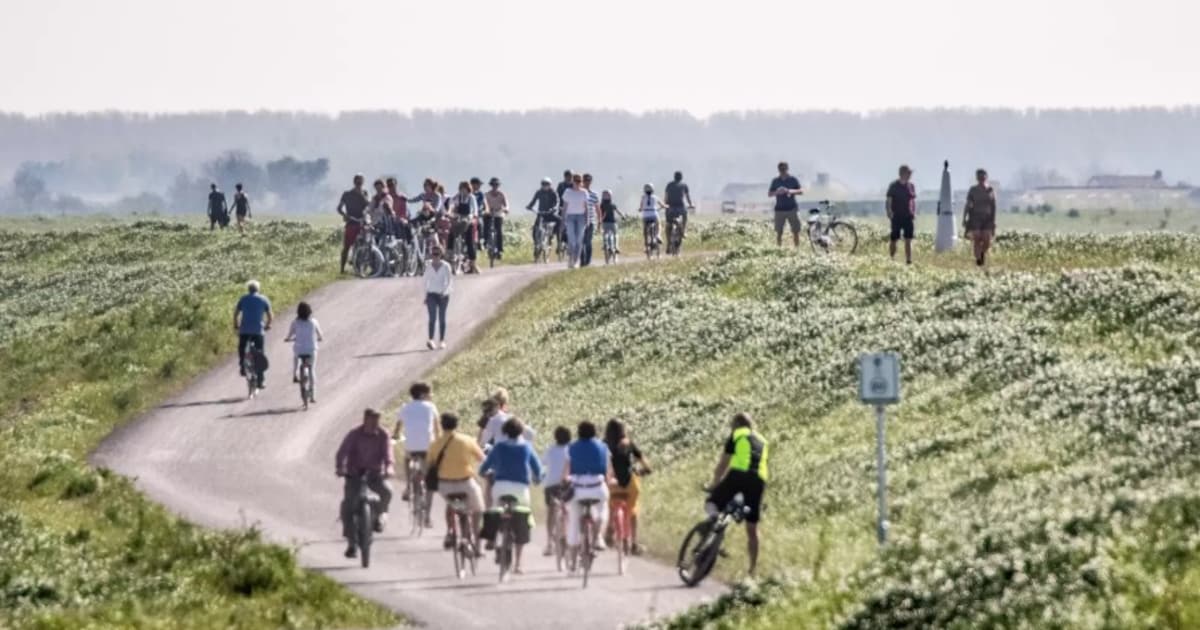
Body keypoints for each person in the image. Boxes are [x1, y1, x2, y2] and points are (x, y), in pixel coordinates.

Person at [705, 413, 769, 576]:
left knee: (711, 504)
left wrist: (714, 484)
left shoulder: (737, 434)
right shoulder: (763, 441)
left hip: (739, 474)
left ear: (737, 424)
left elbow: (723, 464)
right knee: (752, 528)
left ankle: (715, 533)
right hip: (758, 481)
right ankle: (753, 570)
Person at [478, 417, 544, 574]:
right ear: (522, 431)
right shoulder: (527, 447)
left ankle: (492, 539)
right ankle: (518, 564)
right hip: (521, 490)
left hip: (500, 487)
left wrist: (483, 472)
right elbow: (538, 471)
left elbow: (485, 466)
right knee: (522, 521)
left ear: (505, 431)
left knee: (495, 509)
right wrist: (537, 479)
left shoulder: (499, 447)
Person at [335, 408, 395, 558]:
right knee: (348, 506)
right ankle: (351, 544)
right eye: (371, 420)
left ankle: (379, 516)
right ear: (365, 419)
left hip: (375, 474)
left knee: (387, 491)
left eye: (377, 420)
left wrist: (389, 468)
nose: (374, 424)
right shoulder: (354, 434)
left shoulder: (383, 435)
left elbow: (388, 454)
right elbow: (342, 452)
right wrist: (340, 468)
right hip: (354, 474)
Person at [426, 412, 486, 553]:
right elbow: (482, 458)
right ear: (457, 424)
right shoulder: (467, 440)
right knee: (478, 510)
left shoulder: (436, 443)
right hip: (465, 483)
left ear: (442, 425)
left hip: (445, 486)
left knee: (453, 504)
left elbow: (430, 464)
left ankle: (451, 531)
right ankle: (478, 546)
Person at [565, 420, 614, 562]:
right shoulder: (603, 447)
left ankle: (573, 560)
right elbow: (608, 472)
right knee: (603, 508)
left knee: (574, 520)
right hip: (597, 487)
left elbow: (567, 469)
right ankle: (598, 536)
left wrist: (566, 480)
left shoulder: (572, 447)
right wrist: (609, 480)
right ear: (595, 432)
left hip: (578, 489)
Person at [394, 382, 440, 526]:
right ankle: (427, 516)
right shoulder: (431, 407)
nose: (431, 395)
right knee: (429, 482)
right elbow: (437, 428)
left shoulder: (405, 407)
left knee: (407, 458)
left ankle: (408, 486)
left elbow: (398, 426)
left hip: (411, 447)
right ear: (423, 394)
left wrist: (396, 434)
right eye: (429, 393)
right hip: (427, 447)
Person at [604, 419, 652, 555]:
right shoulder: (628, 444)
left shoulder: (604, 445)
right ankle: (634, 543)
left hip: (612, 485)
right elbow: (643, 461)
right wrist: (646, 470)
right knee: (632, 511)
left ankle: (609, 529)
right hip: (630, 485)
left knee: (610, 505)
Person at [233, 280, 272, 389]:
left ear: (248, 289)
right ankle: (260, 381)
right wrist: (268, 325)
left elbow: (236, 314)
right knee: (260, 353)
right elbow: (270, 316)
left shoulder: (243, 299)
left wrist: (236, 325)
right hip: (258, 330)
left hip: (244, 329)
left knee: (241, 348)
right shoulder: (263, 299)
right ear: (258, 289)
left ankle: (242, 365)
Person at [283, 301, 323, 401]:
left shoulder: (295, 322)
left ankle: (295, 373)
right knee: (312, 369)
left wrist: (287, 339)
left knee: (296, 357)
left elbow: (290, 334)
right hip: (311, 349)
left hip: (299, 349)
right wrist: (319, 338)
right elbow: (320, 335)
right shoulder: (314, 322)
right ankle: (312, 395)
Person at [541, 426, 572, 556]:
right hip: (567, 483)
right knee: (569, 508)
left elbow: (543, 462)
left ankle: (549, 543)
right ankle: (569, 537)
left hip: (550, 485)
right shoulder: (571, 450)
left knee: (551, 512)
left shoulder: (550, 449)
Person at [336, 174, 370, 274]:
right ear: (354, 182)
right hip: (351, 222)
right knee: (346, 246)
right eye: (357, 181)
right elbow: (339, 208)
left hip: (362, 222)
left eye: (360, 181)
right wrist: (345, 215)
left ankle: (362, 266)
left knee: (364, 244)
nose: (359, 183)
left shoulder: (365, 193)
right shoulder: (347, 194)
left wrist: (362, 195)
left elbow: (368, 205)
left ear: (363, 182)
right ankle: (342, 269)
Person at [963, 168, 997, 267]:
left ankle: (982, 253)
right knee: (977, 237)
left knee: (987, 239)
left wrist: (993, 220)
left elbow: (993, 206)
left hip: (987, 218)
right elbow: (968, 204)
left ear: (986, 177)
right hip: (975, 217)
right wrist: (964, 217)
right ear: (977, 178)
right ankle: (978, 259)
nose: (981, 178)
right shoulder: (973, 190)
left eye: (983, 176)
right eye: (979, 176)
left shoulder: (990, 190)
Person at [886, 165, 917, 264]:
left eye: (910, 173)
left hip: (908, 216)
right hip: (896, 216)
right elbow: (889, 200)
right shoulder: (893, 186)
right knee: (894, 239)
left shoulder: (911, 186)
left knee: (908, 239)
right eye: (908, 173)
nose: (910, 175)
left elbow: (912, 200)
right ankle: (892, 259)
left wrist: (913, 212)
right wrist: (889, 211)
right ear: (902, 174)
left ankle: (908, 260)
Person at [769, 162, 804, 248]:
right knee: (779, 231)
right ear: (779, 170)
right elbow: (770, 194)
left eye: (784, 169)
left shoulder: (793, 180)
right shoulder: (775, 181)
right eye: (781, 169)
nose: (783, 171)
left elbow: (800, 191)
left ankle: (797, 248)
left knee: (795, 230)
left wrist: (789, 191)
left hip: (792, 209)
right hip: (779, 209)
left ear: (787, 169)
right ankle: (779, 248)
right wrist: (778, 192)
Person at [423, 246, 452, 349]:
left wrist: (445, 292)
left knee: (442, 318)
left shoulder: (446, 266)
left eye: (437, 254)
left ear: (441, 255)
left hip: (443, 295)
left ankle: (442, 340)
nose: (435, 256)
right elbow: (425, 281)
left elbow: (449, 282)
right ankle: (431, 339)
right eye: (434, 254)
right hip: (431, 294)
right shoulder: (428, 266)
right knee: (432, 318)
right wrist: (426, 295)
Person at [448, 181, 480, 273]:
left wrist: (474, 216)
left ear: (468, 189)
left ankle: (473, 263)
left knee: (469, 242)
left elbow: (475, 210)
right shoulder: (458, 196)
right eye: (461, 188)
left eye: (464, 188)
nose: (463, 190)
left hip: (468, 220)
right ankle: (449, 253)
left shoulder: (471, 198)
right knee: (451, 233)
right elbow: (452, 203)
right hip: (458, 218)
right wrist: (450, 212)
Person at [561, 173, 590, 268]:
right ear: (572, 181)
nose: (577, 183)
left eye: (579, 181)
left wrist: (587, 219)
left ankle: (577, 260)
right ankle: (570, 258)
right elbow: (565, 207)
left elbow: (586, 208)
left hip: (581, 217)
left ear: (581, 182)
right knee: (572, 240)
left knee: (579, 240)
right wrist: (562, 220)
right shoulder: (568, 192)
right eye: (576, 181)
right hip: (570, 217)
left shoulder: (584, 192)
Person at [526, 177, 561, 250]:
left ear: (550, 185)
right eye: (543, 184)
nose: (545, 186)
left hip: (550, 213)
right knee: (535, 229)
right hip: (541, 213)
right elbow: (533, 201)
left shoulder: (553, 192)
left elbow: (557, 202)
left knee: (560, 221)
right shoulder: (539, 192)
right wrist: (529, 206)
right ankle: (536, 244)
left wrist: (554, 208)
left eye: (546, 184)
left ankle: (555, 238)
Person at [664, 171, 694, 240]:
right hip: (681, 207)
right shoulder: (684, 185)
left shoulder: (669, 185)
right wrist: (690, 204)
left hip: (670, 208)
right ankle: (683, 231)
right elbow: (687, 197)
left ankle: (668, 243)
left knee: (668, 224)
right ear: (681, 177)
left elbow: (666, 197)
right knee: (685, 217)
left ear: (674, 177)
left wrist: (665, 205)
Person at [483, 177, 508, 258]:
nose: (495, 187)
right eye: (493, 185)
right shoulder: (486, 195)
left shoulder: (501, 194)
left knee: (499, 231)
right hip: (489, 213)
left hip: (498, 213)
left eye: (496, 185)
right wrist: (486, 210)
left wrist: (506, 209)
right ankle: (486, 243)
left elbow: (506, 204)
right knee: (486, 227)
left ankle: (500, 249)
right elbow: (484, 204)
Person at [580, 173, 599, 267]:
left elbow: (597, 208)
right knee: (581, 241)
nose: (587, 182)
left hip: (591, 220)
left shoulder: (594, 194)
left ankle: (587, 261)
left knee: (588, 242)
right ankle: (582, 261)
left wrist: (599, 221)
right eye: (585, 180)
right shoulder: (579, 193)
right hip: (580, 220)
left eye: (588, 181)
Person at [599, 190, 623, 256]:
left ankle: (605, 245)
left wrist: (600, 221)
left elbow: (600, 213)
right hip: (613, 222)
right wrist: (623, 216)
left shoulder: (602, 205)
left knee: (604, 234)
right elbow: (618, 212)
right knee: (616, 234)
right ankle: (616, 247)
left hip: (605, 223)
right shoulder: (613, 205)